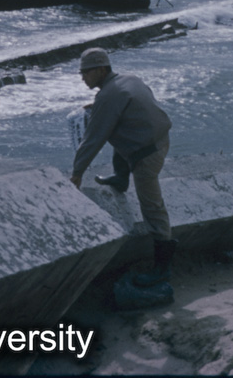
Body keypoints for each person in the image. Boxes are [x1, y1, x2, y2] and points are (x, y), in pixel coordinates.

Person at [72, 48, 174, 286]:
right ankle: (120, 177)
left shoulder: (108, 97)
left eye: (86, 72)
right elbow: (127, 104)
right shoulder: (128, 79)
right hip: (160, 139)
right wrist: (99, 107)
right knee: (119, 127)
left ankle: (163, 268)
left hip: (146, 156)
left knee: (152, 207)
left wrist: (77, 173)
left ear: (100, 69)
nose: (82, 77)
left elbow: (92, 139)